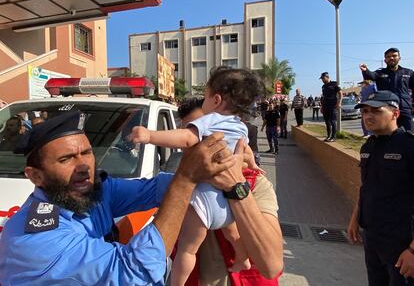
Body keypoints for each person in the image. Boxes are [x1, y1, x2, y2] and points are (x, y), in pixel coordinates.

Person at [0, 111, 244, 285]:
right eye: (66, 159)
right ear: (35, 176)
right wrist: (187, 178)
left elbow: (156, 188)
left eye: (86, 153)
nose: (83, 165)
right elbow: (133, 274)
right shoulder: (32, 236)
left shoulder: (94, 191)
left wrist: (212, 167)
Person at [130, 67, 273, 285]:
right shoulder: (241, 127)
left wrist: (150, 135)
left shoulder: (211, 119)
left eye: (205, 96)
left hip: (204, 201)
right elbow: (245, 150)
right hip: (228, 204)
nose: (203, 102)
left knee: (188, 250)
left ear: (216, 99)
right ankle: (242, 258)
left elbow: (187, 138)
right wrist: (253, 165)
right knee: (234, 235)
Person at [177, 95, 283, 286]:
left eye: (203, 135)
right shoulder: (181, 183)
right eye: (189, 137)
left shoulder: (256, 185)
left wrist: (235, 187)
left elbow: (272, 266)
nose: (197, 146)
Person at [347, 91, 414, 286]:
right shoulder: (368, 147)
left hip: (402, 242)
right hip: (372, 237)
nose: (368, 116)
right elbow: (365, 187)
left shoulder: (409, 147)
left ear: (395, 113)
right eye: (365, 111)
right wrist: (355, 219)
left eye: (376, 110)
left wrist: (412, 251)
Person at [360, 47, 414, 131]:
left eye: (394, 56)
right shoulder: (380, 73)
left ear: (399, 58)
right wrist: (365, 70)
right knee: (387, 136)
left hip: (405, 110)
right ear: (385, 60)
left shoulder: (408, 72)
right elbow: (371, 75)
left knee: (409, 135)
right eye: (388, 56)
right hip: (386, 110)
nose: (391, 58)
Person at [320, 72, 342, 142]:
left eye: (323, 78)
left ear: (327, 77)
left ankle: (333, 137)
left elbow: (340, 93)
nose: (322, 80)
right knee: (327, 122)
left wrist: (339, 103)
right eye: (321, 79)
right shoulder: (323, 86)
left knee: (332, 121)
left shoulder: (334, 84)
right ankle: (328, 136)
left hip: (332, 106)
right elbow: (323, 97)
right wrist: (322, 107)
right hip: (325, 106)